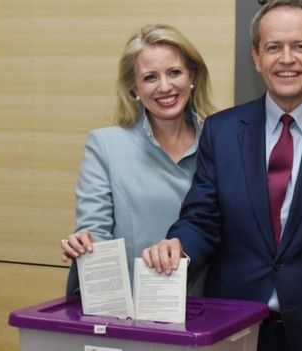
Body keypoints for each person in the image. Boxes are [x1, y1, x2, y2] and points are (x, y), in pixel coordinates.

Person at [142, 1, 302, 350]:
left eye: (300, 46)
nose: (287, 59)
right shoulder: (222, 131)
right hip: (236, 330)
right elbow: (202, 217)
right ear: (257, 57)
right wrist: (179, 246)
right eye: (274, 47)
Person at [60, 23, 214, 296]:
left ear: (192, 77)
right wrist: (85, 243)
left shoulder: (221, 142)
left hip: (208, 311)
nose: (165, 87)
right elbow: (94, 229)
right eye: (150, 77)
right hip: (132, 312)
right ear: (134, 88)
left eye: (174, 72)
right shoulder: (105, 145)